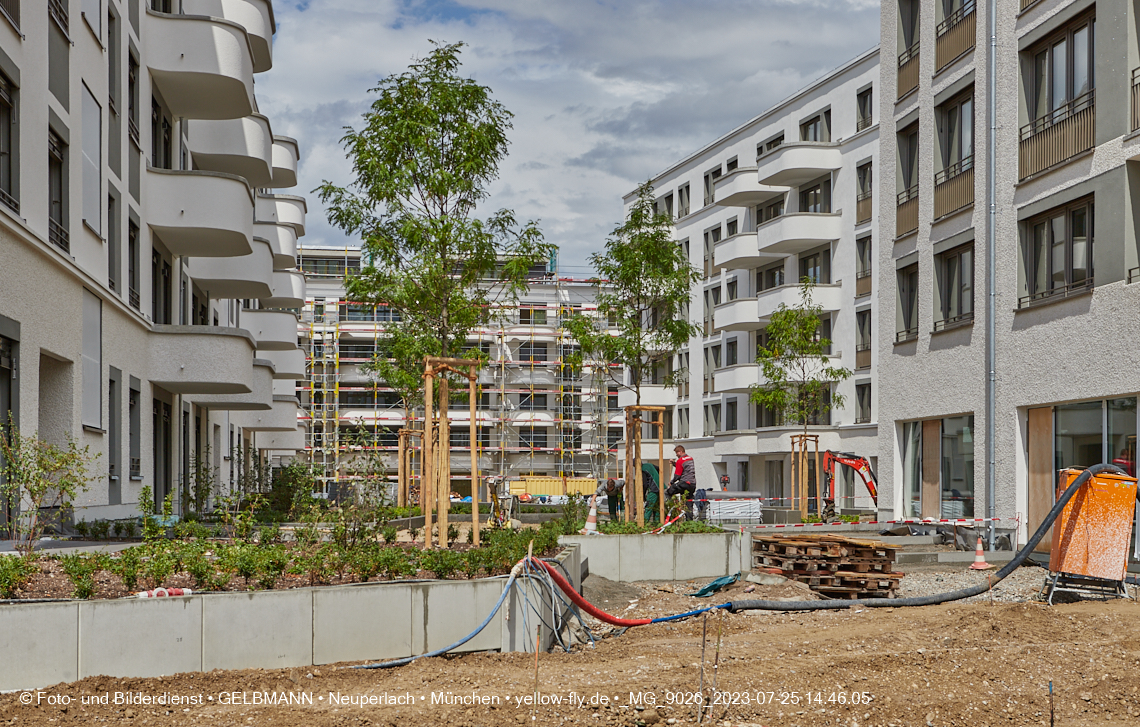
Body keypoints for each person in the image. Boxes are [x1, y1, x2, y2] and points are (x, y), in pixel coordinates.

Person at [666, 445, 697, 519]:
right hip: (692, 484)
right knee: (688, 502)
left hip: (684, 483)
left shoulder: (680, 460)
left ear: (680, 452)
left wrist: (671, 482)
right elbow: (684, 467)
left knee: (668, 492)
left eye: (676, 453)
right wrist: (674, 463)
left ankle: (672, 510)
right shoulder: (690, 458)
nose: (676, 455)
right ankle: (689, 520)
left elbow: (677, 475)